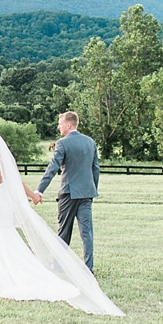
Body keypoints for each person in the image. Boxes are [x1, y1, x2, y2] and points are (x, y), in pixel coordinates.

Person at [0, 130, 123, 315]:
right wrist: (33, 195)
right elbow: (17, 184)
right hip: (4, 208)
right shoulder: (4, 163)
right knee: (7, 236)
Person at [35, 111, 98, 272]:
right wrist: (92, 189)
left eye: (60, 123)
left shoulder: (62, 143)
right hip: (86, 193)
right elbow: (95, 169)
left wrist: (39, 190)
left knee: (64, 230)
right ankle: (88, 267)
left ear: (68, 125)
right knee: (87, 232)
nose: (58, 126)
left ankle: (58, 265)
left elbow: (53, 168)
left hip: (69, 193)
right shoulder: (90, 142)